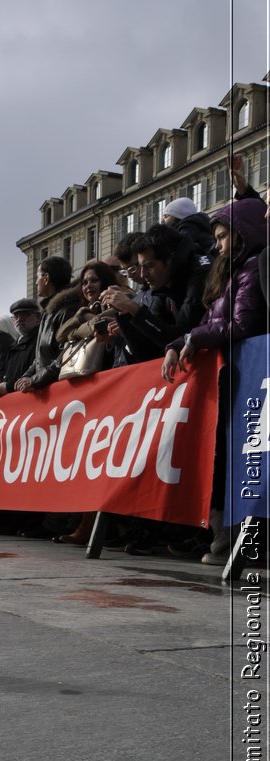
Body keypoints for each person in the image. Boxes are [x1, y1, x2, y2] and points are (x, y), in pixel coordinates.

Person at [161, 197, 269, 564]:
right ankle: (226, 538)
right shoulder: (230, 273)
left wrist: (194, 339)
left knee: (249, 462)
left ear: (244, 234)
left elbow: (242, 324)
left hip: (249, 379)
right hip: (233, 380)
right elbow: (209, 322)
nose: (218, 244)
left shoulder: (253, 268)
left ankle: (243, 545)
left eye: (224, 236)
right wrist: (180, 341)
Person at [100, 224, 209, 363]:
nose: (142, 274)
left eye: (149, 266)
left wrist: (134, 308)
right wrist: (124, 313)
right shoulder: (168, 282)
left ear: (170, 259)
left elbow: (179, 337)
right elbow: (146, 354)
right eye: (141, 267)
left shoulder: (200, 275)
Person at [14, 257, 76, 392]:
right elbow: (41, 356)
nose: (36, 282)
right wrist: (26, 377)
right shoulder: (47, 312)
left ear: (46, 278)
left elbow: (64, 356)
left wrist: (34, 380)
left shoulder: (67, 310)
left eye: (38, 277)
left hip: (60, 392)